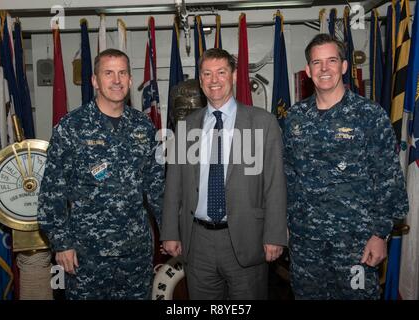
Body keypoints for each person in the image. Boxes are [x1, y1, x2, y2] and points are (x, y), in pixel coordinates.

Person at [283, 34, 408, 300]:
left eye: (331, 61)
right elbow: (288, 175)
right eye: (317, 63)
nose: (324, 69)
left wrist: (379, 234)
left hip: (356, 244)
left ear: (344, 66)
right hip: (307, 245)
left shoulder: (369, 115)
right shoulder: (295, 118)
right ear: (308, 71)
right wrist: (284, 224)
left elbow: (388, 178)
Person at [37, 49, 164, 300]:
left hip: (135, 253)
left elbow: (157, 187)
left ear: (130, 80)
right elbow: (52, 194)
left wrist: (170, 232)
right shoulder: (71, 127)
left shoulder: (144, 127)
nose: (116, 80)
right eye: (108, 73)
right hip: (87, 255)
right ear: (95, 81)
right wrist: (62, 244)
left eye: (122, 73)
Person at [161, 48, 287, 299]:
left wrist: (275, 234)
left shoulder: (262, 122)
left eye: (221, 72)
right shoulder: (186, 127)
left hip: (246, 238)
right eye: (207, 73)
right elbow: (173, 184)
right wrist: (170, 231)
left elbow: (275, 184)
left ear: (233, 76)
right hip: (198, 242)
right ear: (200, 80)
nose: (214, 80)